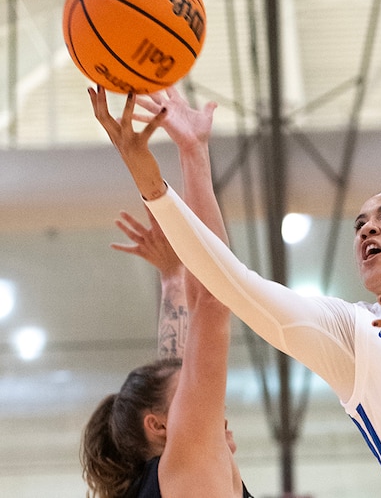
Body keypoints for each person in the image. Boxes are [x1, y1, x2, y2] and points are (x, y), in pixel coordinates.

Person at [89, 84, 381, 497]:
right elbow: (230, 285)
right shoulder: (352, 333)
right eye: (359, 224)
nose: (366, 229)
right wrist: (153, 181)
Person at [81, 89, 254, 497]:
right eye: (191, 387)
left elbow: (182, 351)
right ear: (158, 425)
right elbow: (212, 298)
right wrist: (190, 152)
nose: (213, 397)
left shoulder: (166, 475)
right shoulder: (185, 465)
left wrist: (174, 280)